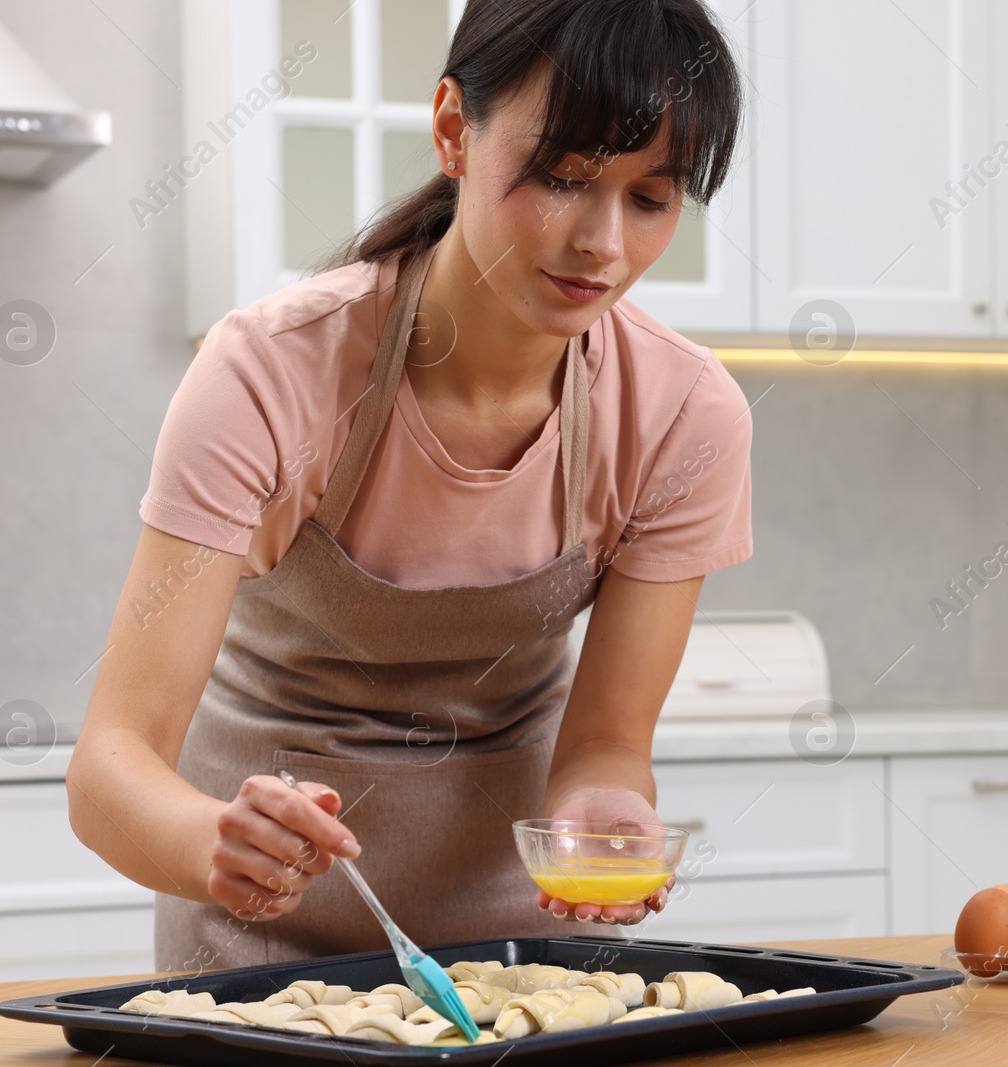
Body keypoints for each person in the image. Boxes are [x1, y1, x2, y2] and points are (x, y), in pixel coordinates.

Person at [67, 0, 751, 972]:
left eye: (650, 197)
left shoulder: (685, 415)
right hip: (257, 941)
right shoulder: (271, 374)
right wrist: (214, 838)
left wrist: (606, 811)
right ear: (449, 130)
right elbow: (108, 766)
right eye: (563, 177)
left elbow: (604, 742)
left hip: (521, 951)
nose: (603, 242)